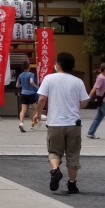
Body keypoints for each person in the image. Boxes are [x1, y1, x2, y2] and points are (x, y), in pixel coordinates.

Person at [35, 52, 90, 194]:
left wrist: (38, 113)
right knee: (73, 154)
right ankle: (72, 184)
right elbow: (84, 102)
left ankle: (55, 170)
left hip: (55, 122)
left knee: (54, 152)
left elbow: (42, 98)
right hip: (73, 123)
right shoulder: (78, 81)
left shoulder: (49, 78)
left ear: (58, 64)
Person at [17, 62, 41, 133]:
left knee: (23, 110)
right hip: (31, 94)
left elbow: (17, 85)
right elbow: (31, 82)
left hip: (23, 93)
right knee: (34, 108)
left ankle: (21, 123)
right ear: (28, 67)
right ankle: (33, 123)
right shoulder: (31, 74)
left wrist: (23, 85)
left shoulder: (20, 75)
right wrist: (36, 86)